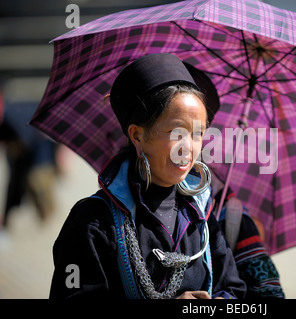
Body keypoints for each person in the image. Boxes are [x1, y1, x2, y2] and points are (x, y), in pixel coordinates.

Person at [49, 54, 246, 299]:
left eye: (198, 133)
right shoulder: (92, 222)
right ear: (138, 135)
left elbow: (233, 290)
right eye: (176, 132)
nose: (188, 147)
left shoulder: (202, 217)